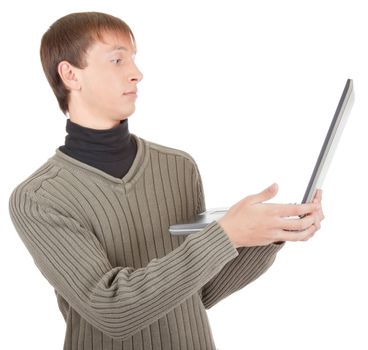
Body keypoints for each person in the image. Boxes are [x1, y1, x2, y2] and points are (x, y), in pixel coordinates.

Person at [8, 11, 324, 350]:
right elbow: (112, 308)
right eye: (117, 60)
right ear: (70, 74)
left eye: (133, 59)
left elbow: (199, 292)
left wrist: (270, 233)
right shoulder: (38, 198)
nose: (136, 73)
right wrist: (226, 234)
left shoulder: (178, 167)